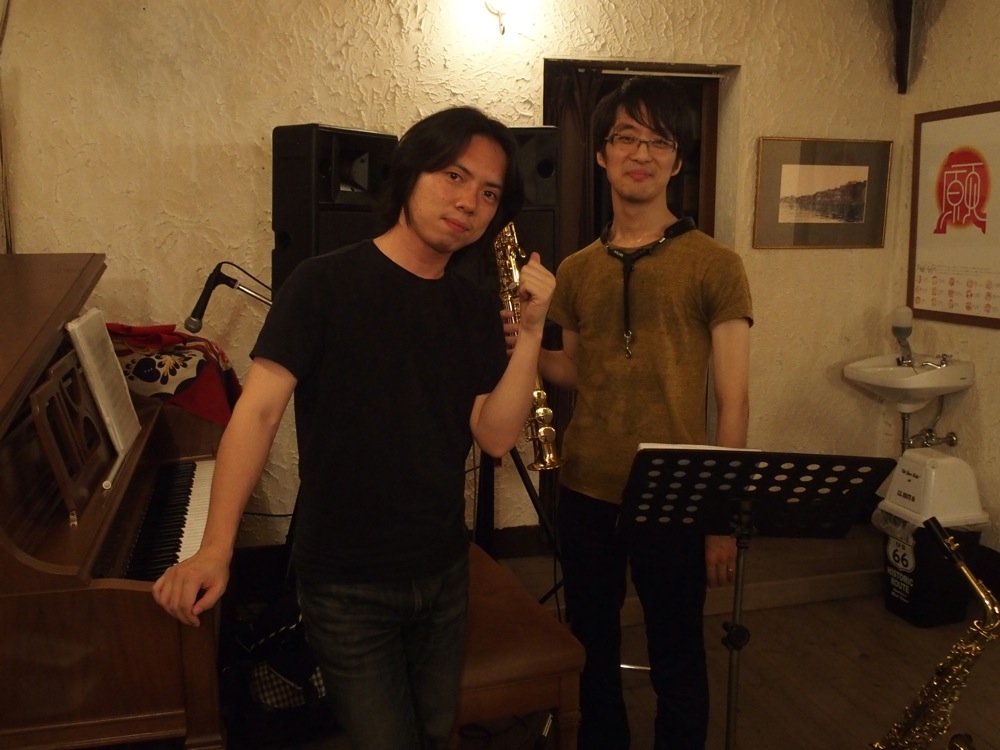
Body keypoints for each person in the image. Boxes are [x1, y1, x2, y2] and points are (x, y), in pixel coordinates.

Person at [152, 106, 556, 750]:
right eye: (454, 176)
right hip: (345, 581)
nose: (468, 202)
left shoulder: (470, 306)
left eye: (488, 193)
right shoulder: (322, 283)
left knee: (435, 731)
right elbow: (257, 413)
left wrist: (530, 334)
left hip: (443, 570)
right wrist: (216, 548)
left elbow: (496, 435)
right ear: (410, 173)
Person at [537, 77, 753, 749]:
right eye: (626, 137)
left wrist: (720, 517)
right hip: (585, 486)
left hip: (676, 493)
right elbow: (576, 372)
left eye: (658, 140)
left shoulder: (715, 263)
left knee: (678, 649)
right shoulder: (576, 269)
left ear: (677, 160)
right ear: (601, 154)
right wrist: (522, 339)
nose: (641, 153)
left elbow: (734, 399)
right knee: (590, 644)